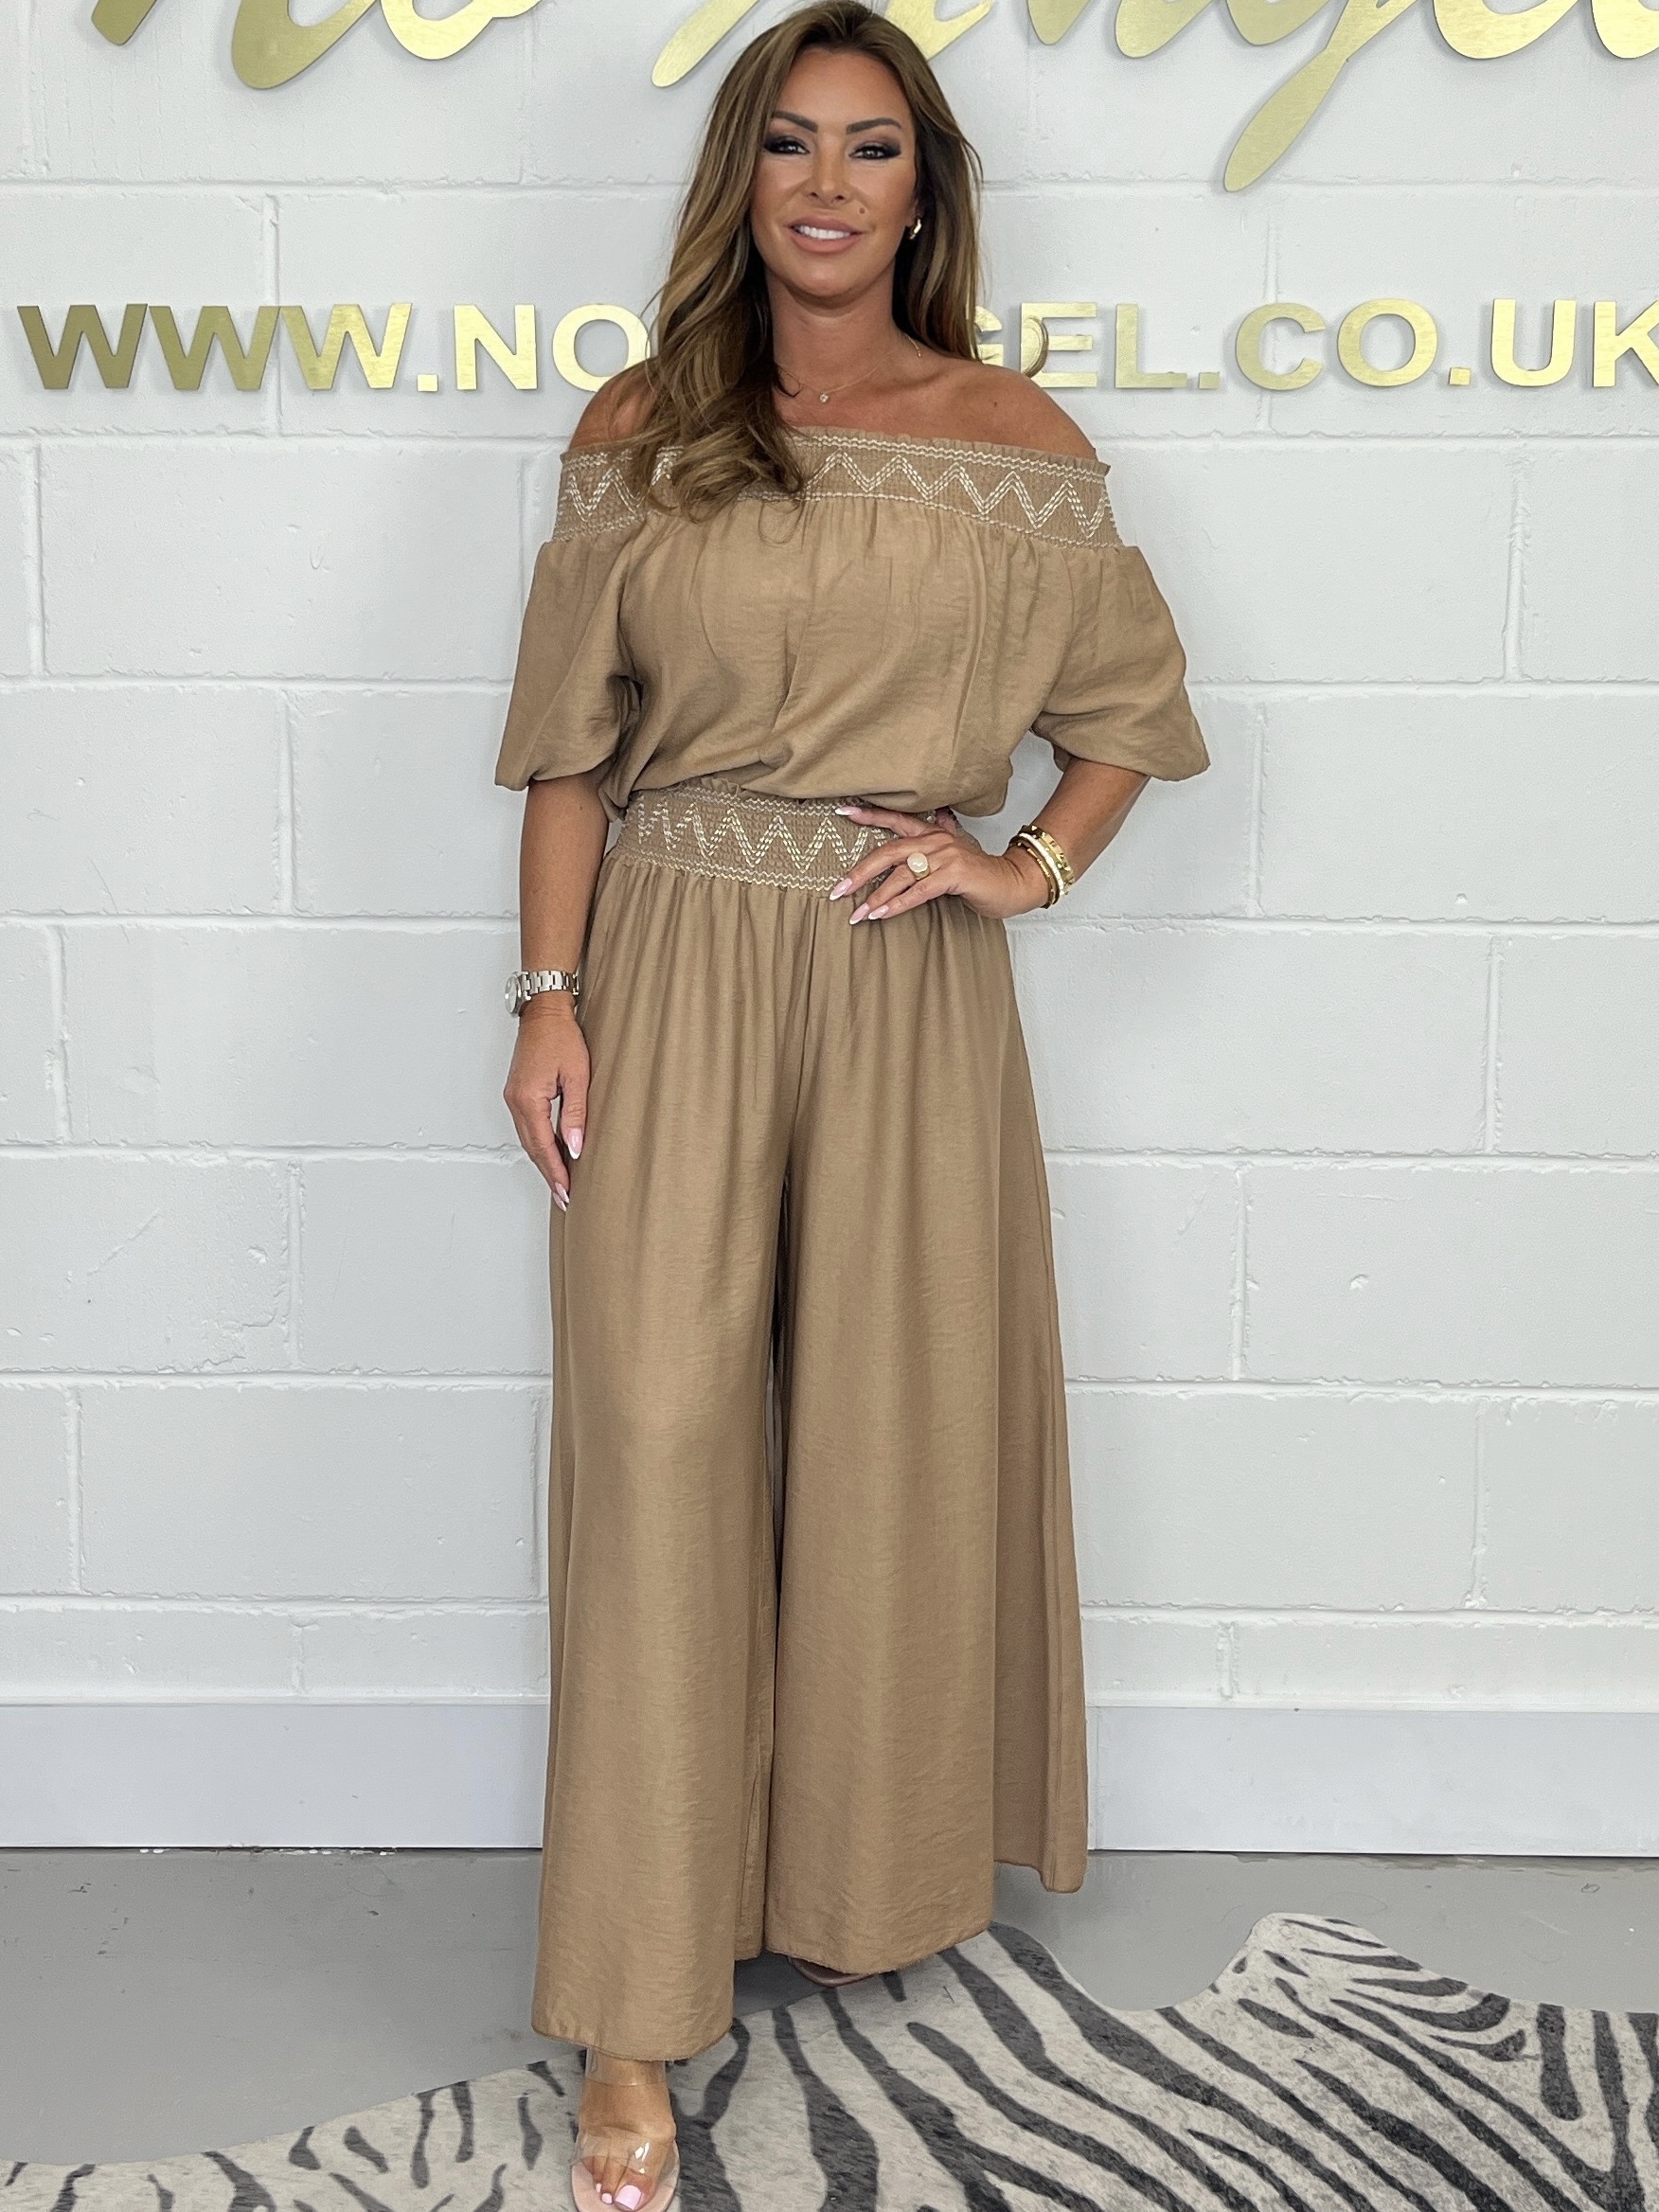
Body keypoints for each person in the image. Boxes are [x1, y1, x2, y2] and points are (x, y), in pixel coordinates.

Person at [495, 6, 1208, 2205]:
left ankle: (842, 1880)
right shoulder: (644, 426)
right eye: (790, 142)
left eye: (871, 146)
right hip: (672, 959)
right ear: (743, 176)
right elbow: (572, 750)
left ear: (925, 189)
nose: (827, 183)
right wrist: (547, 997)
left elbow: (1132, 718)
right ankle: (632, 2012)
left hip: (909, 978)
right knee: (659, 1446)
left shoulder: (1017, 441)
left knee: (889, 1445)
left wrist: (1026, 866)